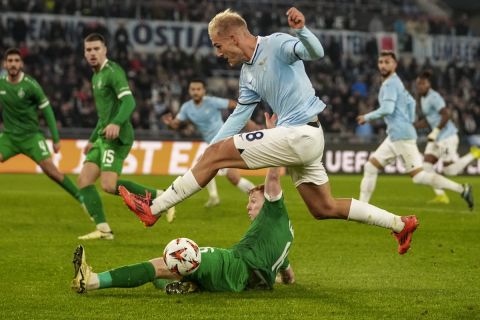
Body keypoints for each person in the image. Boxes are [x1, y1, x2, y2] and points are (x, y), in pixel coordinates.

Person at [121, 7, 421, 256]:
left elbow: (315, 52)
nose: (217, 53)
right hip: (305, 137)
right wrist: (211, 148)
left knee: (217, 156)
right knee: (323, 207)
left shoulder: (276, 44)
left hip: (300, 134)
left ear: (234, 37)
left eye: (218, 45)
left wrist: (302, 30)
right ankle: (400, 224)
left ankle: (154, 208)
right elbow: (240, 114)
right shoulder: (247, 73)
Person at [72, 167, 295, 294]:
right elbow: (288, 275)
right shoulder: (286, 234)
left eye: (253, 201)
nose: (248, 206)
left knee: (165, 261)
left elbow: (273, 177)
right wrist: (277, 280)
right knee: (172, 270)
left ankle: (91, 280)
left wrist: (274, 133)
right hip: (244, 280)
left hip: (232, 265)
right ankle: (186, 286)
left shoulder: (274, 209)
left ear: (268, 201)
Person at [77, 33, 174, 240]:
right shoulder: (96, 76)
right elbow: (104, 115)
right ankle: (103, 230)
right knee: (84, 181)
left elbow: (129, 102)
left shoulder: (112, 72)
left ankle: (163, 196)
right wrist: (92, 138)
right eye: (88, 50)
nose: (92, 53)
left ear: (105, 50)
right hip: (103, 136)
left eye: (96, 49)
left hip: (117, 137)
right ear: (84, 53)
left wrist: (116, 123)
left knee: (108, 185)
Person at [357, 51, 473, 210]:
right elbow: (411, 101)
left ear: (395, 64)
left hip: (402, 136)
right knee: (370, 167)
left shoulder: (391, 83)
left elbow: (387, 108)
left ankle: (462, 189)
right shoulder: (396, 82)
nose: (383, 65)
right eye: (381, 62)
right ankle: (362, 209)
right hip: (395, 135)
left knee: (419, 177)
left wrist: (367, 117)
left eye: (387, 62)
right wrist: (410, 120)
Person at [0, 48, 82, 205]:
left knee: (52, 171)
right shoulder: (1, 84)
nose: (13, 64)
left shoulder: (31, 85)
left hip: (31, 137)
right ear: (5, 64)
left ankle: (81, 198)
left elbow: (48, 111)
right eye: (10, 61)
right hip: (9, 137)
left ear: (21, 64)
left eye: (16, 61)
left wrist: (56, 139)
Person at [162, 79, 256, 207]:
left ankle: (256, 195)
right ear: (189, 91)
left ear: (204, 91)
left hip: (224, 141)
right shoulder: (187, 107)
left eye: (198, 89)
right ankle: (255, 194)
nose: (195, 92)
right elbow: (176, 125)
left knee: (204, 164)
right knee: (228, 176)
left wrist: (247, 121)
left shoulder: (211, 102)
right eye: (193, 89)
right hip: (213, 145)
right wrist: (170, 124)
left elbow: (233, 104)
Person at [415, 70, 480, 204]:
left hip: (447, 137)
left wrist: (436, 131)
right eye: (418, 84)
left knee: (449, 171)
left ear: (428, 85)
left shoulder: (434, 97)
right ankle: (441, 196)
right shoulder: (422, 98)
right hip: (436, 137)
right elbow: (429, 119)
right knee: (426, 166)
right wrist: (413, 126)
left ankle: (474, 154)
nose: (420, 86)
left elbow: (446, 114)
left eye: (423, 84)